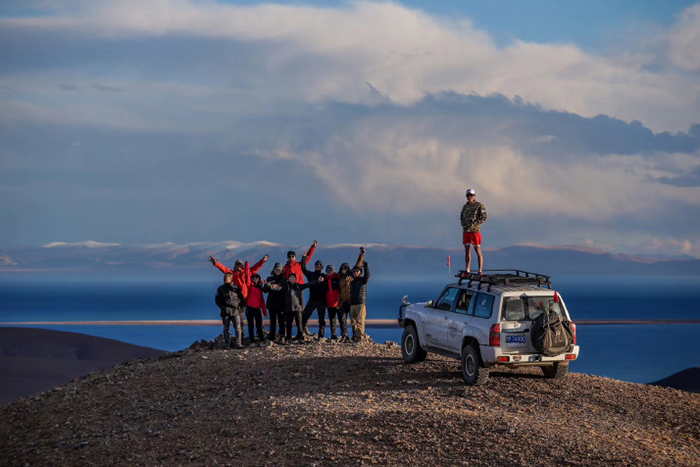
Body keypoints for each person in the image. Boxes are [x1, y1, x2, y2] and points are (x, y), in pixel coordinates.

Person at [280, 273, 323, 344]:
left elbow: (308, 284)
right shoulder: (286, 287)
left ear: (295, 279)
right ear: (288, 279)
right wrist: (271, 286)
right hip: (289, 308)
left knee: (299, 324)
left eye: (293, 278)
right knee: (288, 324)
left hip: (298, 308)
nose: (292, 279)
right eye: (290, 278)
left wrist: (317, 281)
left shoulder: (298, 286)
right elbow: (278, 288)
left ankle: (300, 337)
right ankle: (288, 338)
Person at [335, 247, 365, 343]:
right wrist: (338, 303)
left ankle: (355, 336)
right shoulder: (340, 279)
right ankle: (344, 335)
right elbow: (339, 293)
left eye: (346, 268)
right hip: (344, 302)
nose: (344, 270)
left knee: (354, 320)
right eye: (342, 268)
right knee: (342, 319)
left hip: (352, 301)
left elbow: (358, 265)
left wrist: (361, 255)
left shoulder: (351, 277)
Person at [460, 188, 487, 274]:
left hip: (475, 231)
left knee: (477, 249)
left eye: (471, 195)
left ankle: (480, 270)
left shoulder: (479, 205)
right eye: (468, 195)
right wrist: (464, 224)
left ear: (474, 196)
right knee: (467, 250)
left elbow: (484, 217)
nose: (469, 197)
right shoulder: (465, 206)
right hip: (466, 231)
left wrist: (475, 224)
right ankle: (467, 269)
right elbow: (461, 217)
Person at [215, 273, 245, 349]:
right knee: (226, 329)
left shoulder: (236, 288)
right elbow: (217, 300)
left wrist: (238, 307)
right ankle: (227, 344)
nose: (225, 279)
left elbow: (241, 298)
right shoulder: (221, 288)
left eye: (226, 278)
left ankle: (238, 344)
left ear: (231, 279)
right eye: (224, 277)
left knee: (238, 328)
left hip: (235, 311)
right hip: (225, 312)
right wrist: (222, 307)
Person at [301, 256, 327, 339]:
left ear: (322, 267)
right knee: (305, 316)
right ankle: (302, 332)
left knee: (321, 319)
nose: (318, 266)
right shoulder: (311, 275)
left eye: (320, 265)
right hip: (312, 300)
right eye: (317, 265)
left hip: (322, 301)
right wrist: (304, 258)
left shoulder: (325, 276)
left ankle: (321, 336)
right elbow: (303, 269)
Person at [264, 263, 287, 342]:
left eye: (279, 269)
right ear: (273, 270)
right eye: (276, 269)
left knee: (282, 321)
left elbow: (283, 289)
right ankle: (272, 336)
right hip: (272, 304)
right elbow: (265, 291)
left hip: (281, 304)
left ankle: (282, 336)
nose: (277, 271)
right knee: (272, 321)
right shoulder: (269, 279)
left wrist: (274, 287)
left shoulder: (284, 279)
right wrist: (266, 286)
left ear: (282, 270)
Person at [349, 260, 370, 342]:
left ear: (360, 272)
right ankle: (355, 336)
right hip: (353, 303)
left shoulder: (362, 280)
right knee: (353, 321)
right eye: (354, 271)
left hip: (360, 303)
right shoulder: (352, 281)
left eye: (357, 271)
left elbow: (367, 276)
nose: (355, 272)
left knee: (360, 321)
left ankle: (360, 337)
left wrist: (366, 267)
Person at [245, 273, 268, 346]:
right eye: (253, 278)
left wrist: (265, 312)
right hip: (250, 308)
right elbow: (247, 276)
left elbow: (262, 300)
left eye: (256, 278)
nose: (255, 279)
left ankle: (261, 340)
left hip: (258, 309)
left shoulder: (260, 288)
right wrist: (247, 264)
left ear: (259, 279)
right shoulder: (249, 286)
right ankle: (252, 341)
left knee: (259, 325)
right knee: (250, 326)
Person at [324, 265, 340, 341]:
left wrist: (339, 302)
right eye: (327, 270)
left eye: (330, 270)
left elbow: (340, 291)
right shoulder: (325, 280)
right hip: (329, 303)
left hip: (337, 303)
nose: (329, 271)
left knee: (341, 319)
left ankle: (344, 335)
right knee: (332, 320)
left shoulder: (337, 278)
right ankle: (333, 335)